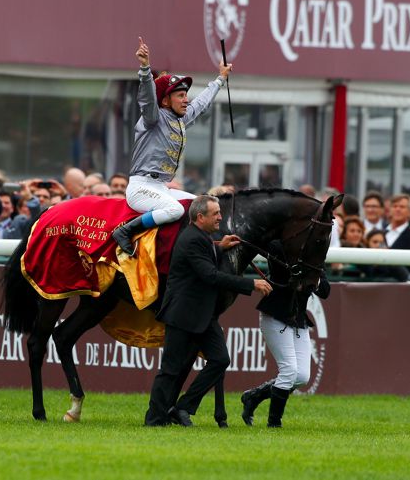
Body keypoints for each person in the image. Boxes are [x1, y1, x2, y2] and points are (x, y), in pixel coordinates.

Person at [144, 195, 272, 427]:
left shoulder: (201, 237)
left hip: (202, 315)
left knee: (220, 360)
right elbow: (209, 275)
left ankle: (183, 407)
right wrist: (250, 284)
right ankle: (153, 420)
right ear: (200, 217)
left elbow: (205, 259)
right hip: (182, 314)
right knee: (170, 370)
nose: (220, 218)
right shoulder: (193, 239)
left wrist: (220, 247)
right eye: (215, 214)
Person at [113, 36, 233, 256]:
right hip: (140, 188)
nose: (186, 99)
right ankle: (125, 231)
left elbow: (201, 104)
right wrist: (145, 67)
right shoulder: (152, 117)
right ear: (166, 101)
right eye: (180, 95)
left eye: (186, 94)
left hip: (161, 188)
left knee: (201, 205)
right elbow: (148, 98)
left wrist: (220, 79)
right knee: (175, 209)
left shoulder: (180, 120)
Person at [241, 239, 330, 428]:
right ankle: (274, 424)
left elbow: (325, 291)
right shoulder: (279, 246)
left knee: (302, 377)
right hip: (275, 314)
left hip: (297, 318)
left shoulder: (315, 256)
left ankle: (253, 396)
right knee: (289, 371)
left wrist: (316, 273)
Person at [386, 194, 410, 273]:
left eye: (402, 207)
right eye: (395, 206)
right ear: (389, 210)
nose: (398, 209)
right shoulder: (379, 233)